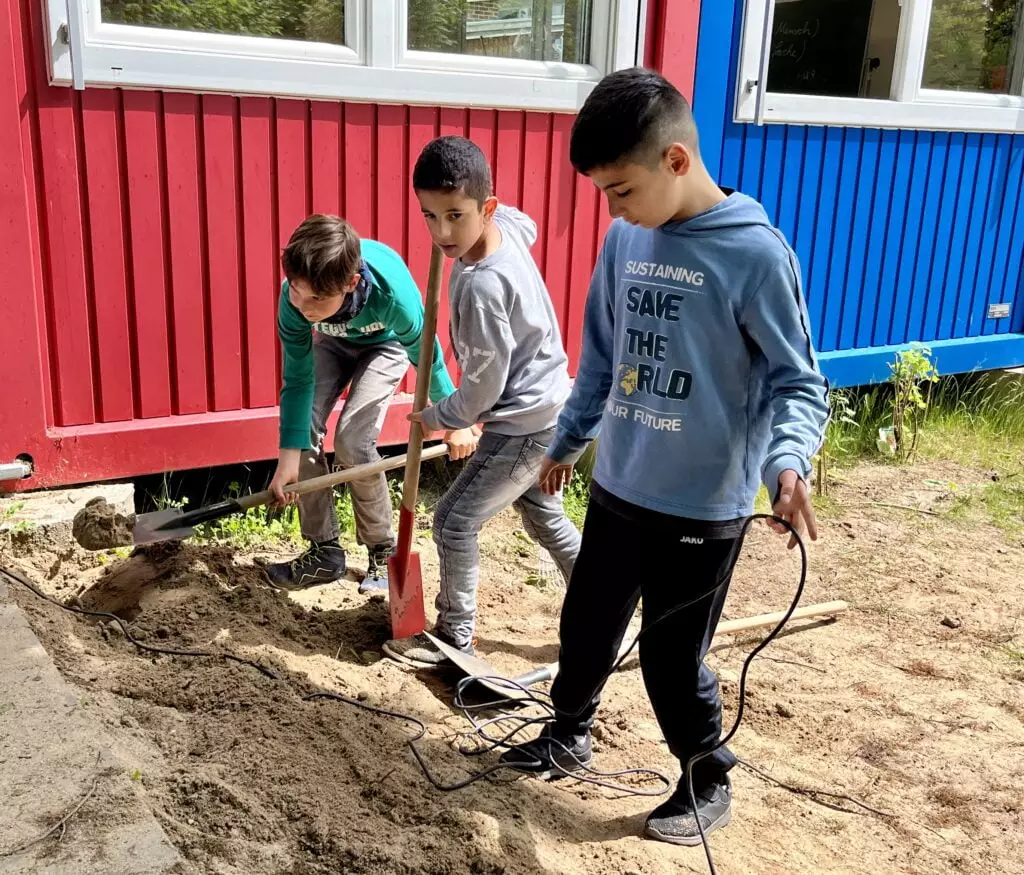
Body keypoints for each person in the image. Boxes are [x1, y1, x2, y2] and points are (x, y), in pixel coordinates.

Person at [499, 68, 830, 846]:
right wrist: (570, 438)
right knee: (585, 628)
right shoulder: (626, 240)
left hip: (701, 507)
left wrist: (787, 464)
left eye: (620, 189)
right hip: (621, 483)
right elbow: (603, 356)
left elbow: (797, 380)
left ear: (676, 161)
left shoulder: (754, 255)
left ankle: (705, 772)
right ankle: (568, 730)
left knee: (672, 659)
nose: (611, 208)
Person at [382, 136, 583, 667]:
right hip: (553, 405)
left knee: (452, 521)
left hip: (523, 422)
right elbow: (526, 222)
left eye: (456, 216)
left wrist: (439, 417)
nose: (442, 233)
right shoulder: (507, 228)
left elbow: (485, 389)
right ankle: (602, 608)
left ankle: (455, 636)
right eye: (429, 216)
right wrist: (466, 210)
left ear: (486, 207)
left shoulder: (479, 288)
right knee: (542, 515)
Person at [266, 214, 478, 593]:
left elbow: (425, 353)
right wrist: (288, 459)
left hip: (386, 343)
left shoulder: (391, 294)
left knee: (353, 439)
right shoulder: (295, 301)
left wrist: (455, 419)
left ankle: (382, 550)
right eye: (297, 291)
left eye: (316, 298)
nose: (303, 306)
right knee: (304, 438)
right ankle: (324, 552)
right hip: (332, 340)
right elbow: (297, 380)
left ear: (350, 283)